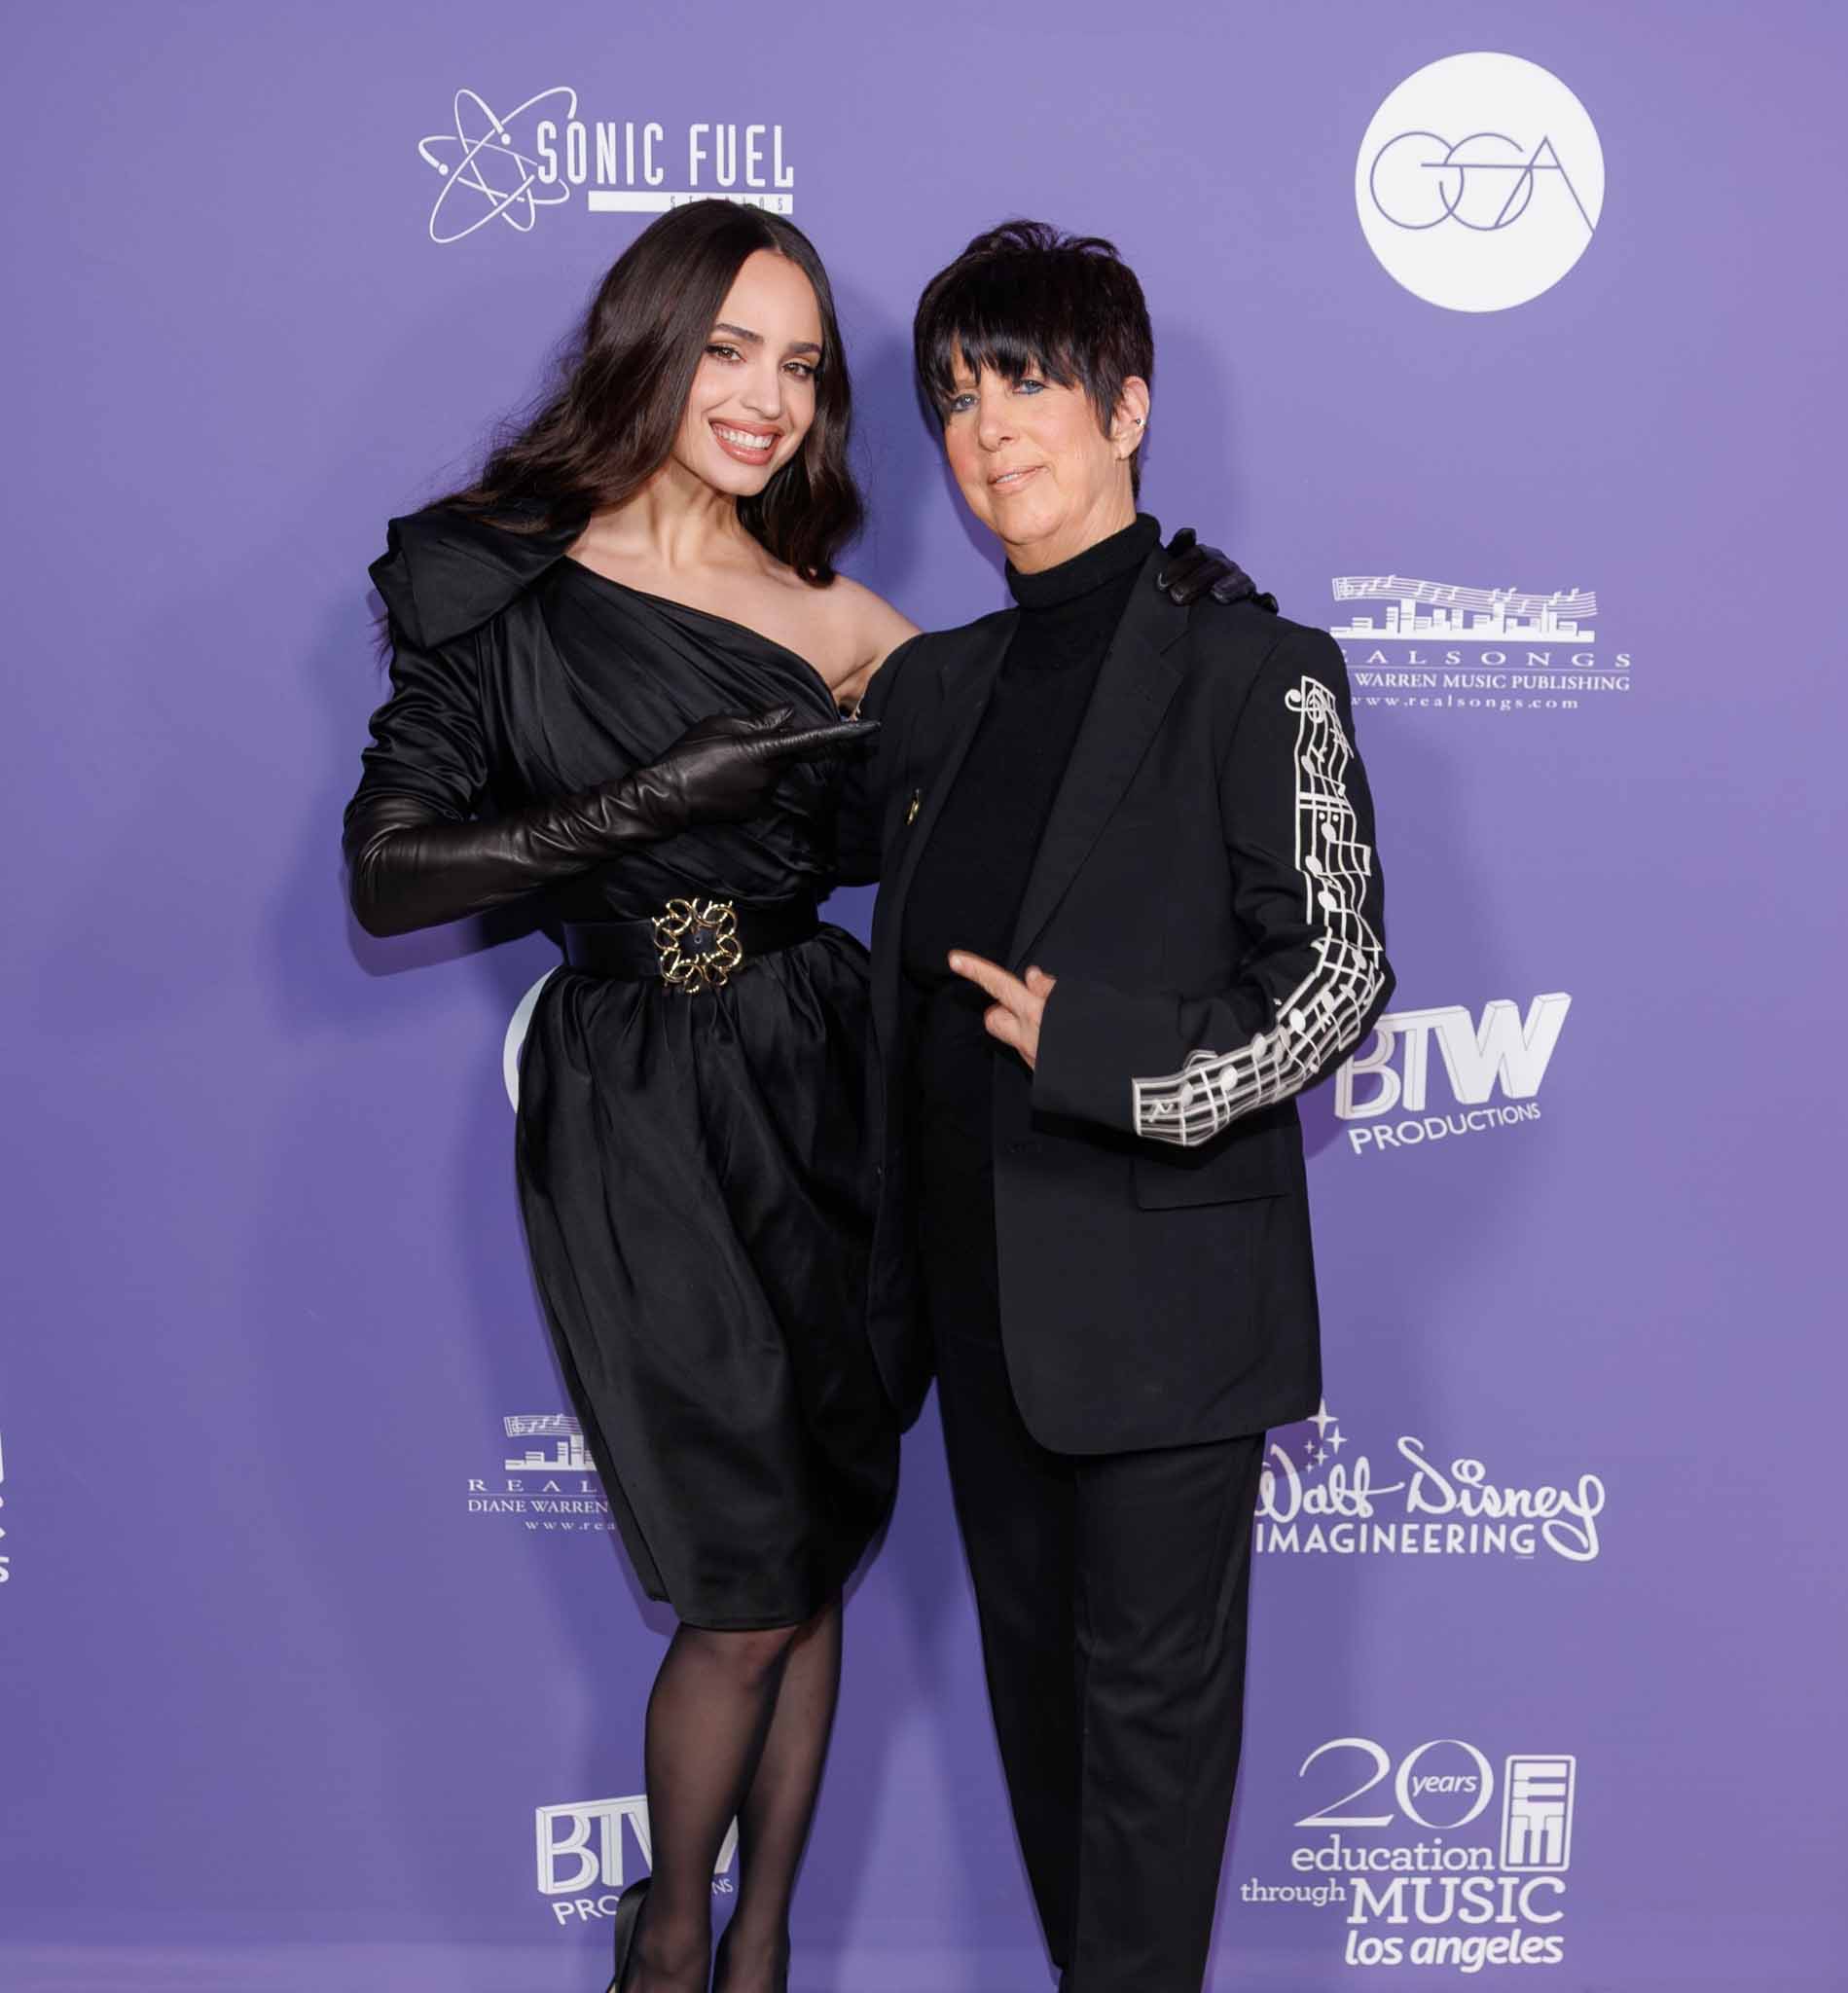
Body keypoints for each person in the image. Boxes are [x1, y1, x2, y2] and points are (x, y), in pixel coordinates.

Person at [342, 200, 1239, 1993]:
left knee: (815, 1543)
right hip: (632, 1099)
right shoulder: (497, 578)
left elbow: (1036, 734)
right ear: (646, 344)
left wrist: (1171, 622)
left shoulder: (839, 620)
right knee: (744, 1580)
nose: (765, 397)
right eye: (729, 350)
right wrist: (663, 793)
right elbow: (391, 874)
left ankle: (758, 1952)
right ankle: (670, 1944)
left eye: (805, 368)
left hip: (821, 1084)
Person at [839, 221, 1395, 1992]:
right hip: (974, 1309)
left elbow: (1337, 978)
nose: (988, 427)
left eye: (1026, 382)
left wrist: (1103, 1052)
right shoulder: (933, 691)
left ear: (1126, 407)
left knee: (1148, 1753)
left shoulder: (1257, 668)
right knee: (1043, 1736)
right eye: (955, 397)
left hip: (1164, 1309)